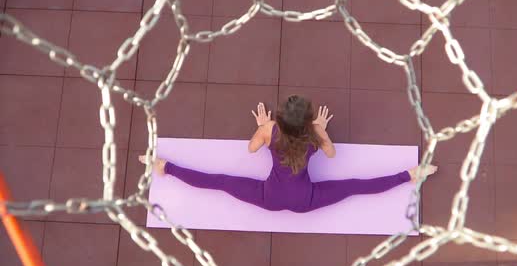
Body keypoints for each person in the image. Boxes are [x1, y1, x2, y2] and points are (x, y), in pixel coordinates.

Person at [139, 95, 437, 213]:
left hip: (269, 198)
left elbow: (251, 149)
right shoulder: (314, 134)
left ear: (279, 119)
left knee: (219, 181)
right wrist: (321, 129)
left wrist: (261, 128)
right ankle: (411, 175)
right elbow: (331, 155)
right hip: (306, 201)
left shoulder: (270, 129)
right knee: (356, 186)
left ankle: (164, 167)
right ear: (307, 120)